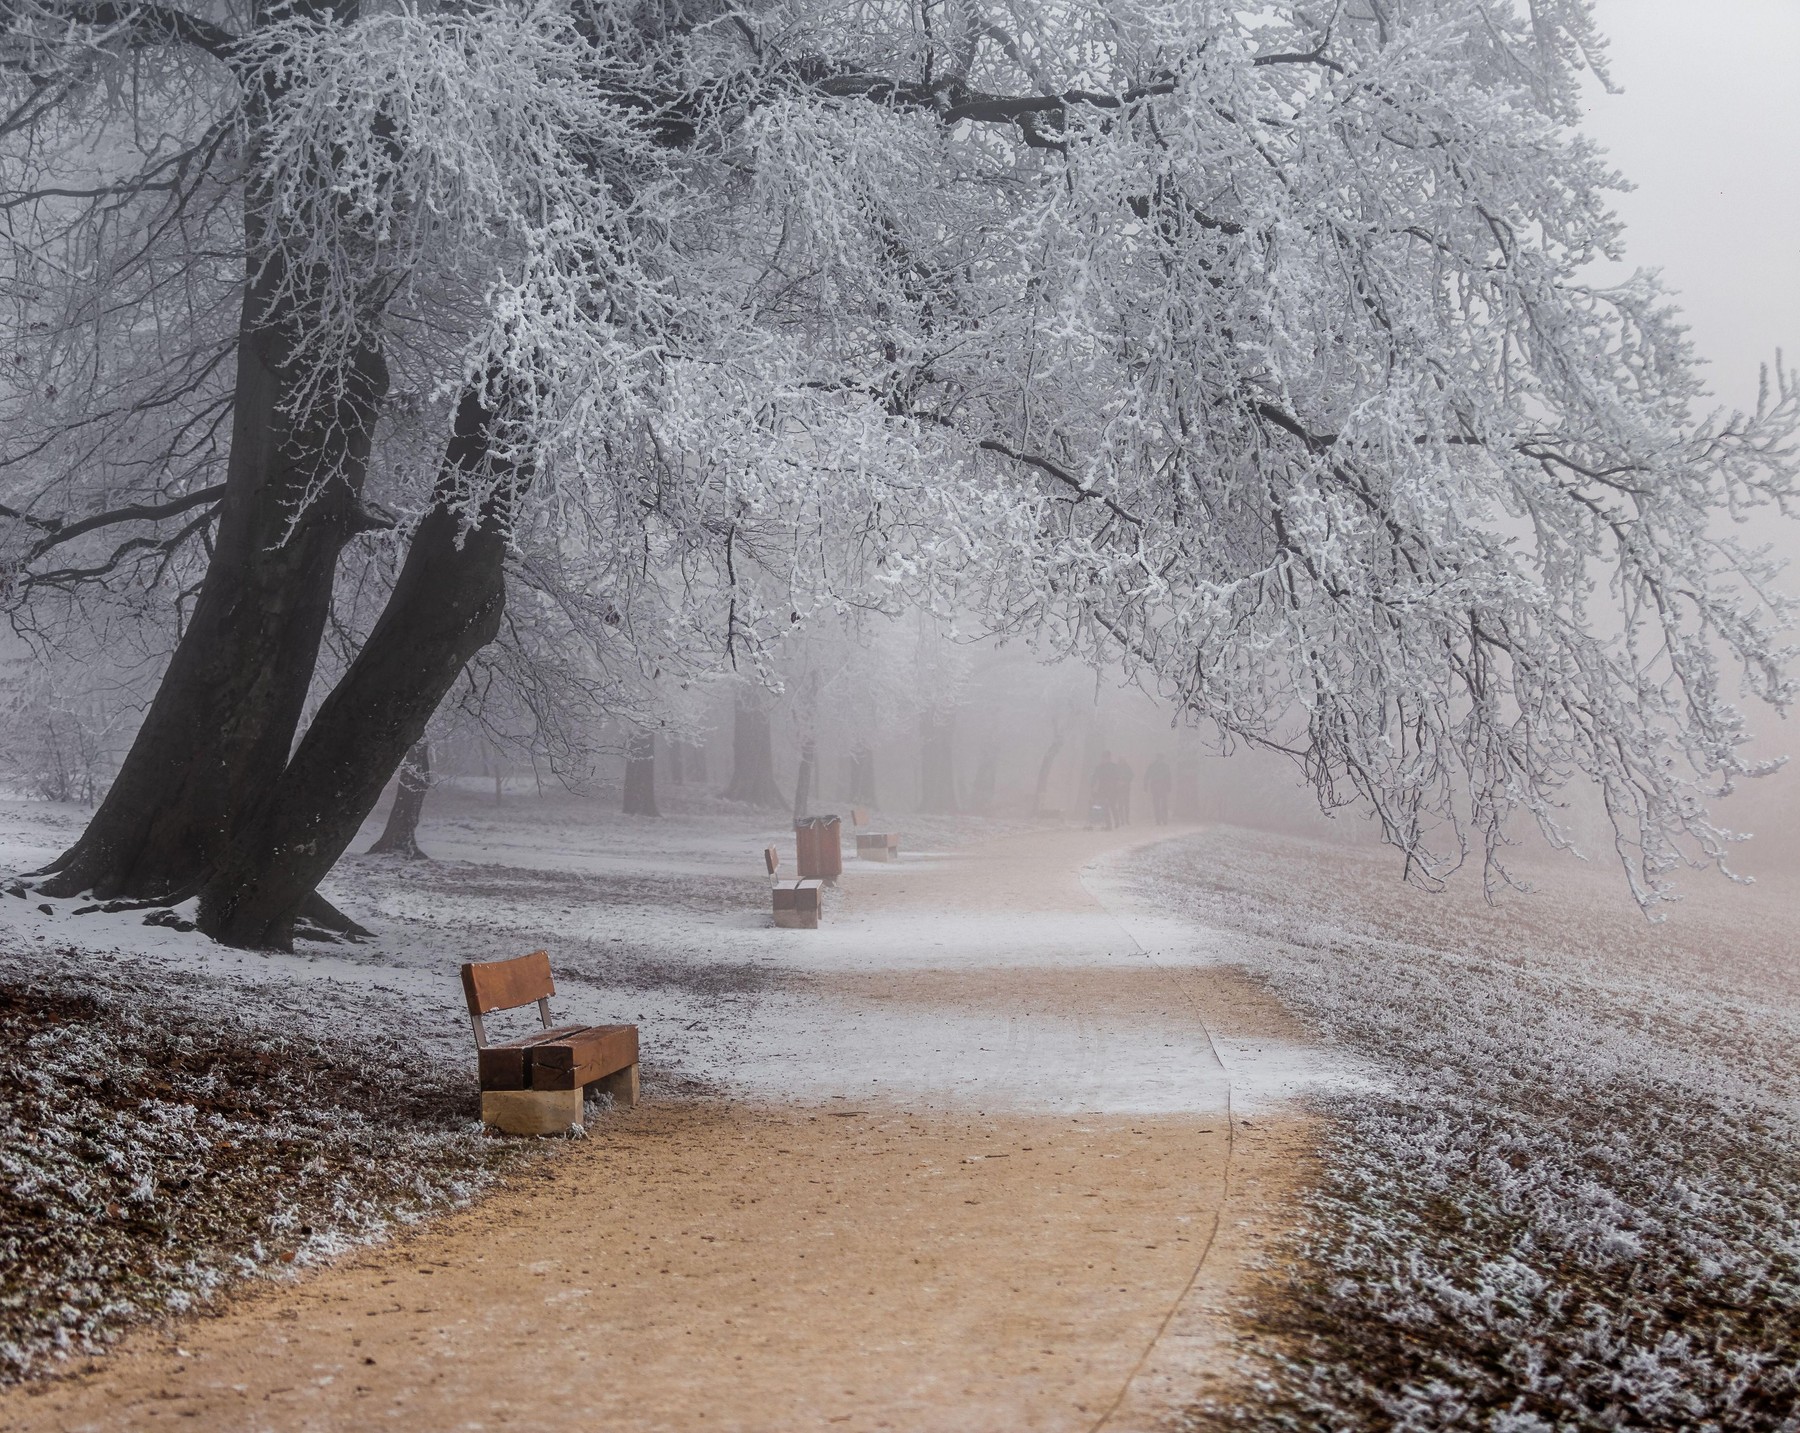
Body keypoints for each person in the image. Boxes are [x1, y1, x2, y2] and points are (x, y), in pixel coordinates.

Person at [1089, 751, 1118, 829]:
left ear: (1109, 758)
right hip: (1102, 789)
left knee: (1112, 806)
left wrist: (1117, 786)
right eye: (1103, 758)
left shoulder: (1114, 767)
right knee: (1105, 806)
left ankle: (1116, 820)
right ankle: (1109, 824)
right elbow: (1095, 777)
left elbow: (1118, 777)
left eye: (1106, 758)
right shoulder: (1099, 767)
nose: (1104, 759)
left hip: (1112, 789)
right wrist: (1092, 786)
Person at [1145, 753, 1173, 826]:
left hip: (1162, 787)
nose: (1160, 759)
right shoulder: (1154, 766)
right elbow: (1147, 776)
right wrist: (1145, 786)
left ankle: (1164, 819)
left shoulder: (1164, 766)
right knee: (1157, 804)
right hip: (1156, 787)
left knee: (1163, 804)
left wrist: (1169, 787)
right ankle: (1158, 820)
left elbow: (1168, 777)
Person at [1112, 756, 1134, 825]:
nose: (1122, 761)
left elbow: (1132, 775)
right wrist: (1117, 782)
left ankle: (1127, 819)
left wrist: (1126, 781)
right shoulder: (1116, 768)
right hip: (1118, 789)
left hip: (1126, 788)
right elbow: (1113, 777)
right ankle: (1121, 820)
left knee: (1126, 804)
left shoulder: (1127, 767)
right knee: (1120, 804)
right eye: (1121, 760)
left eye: (1123, 760)